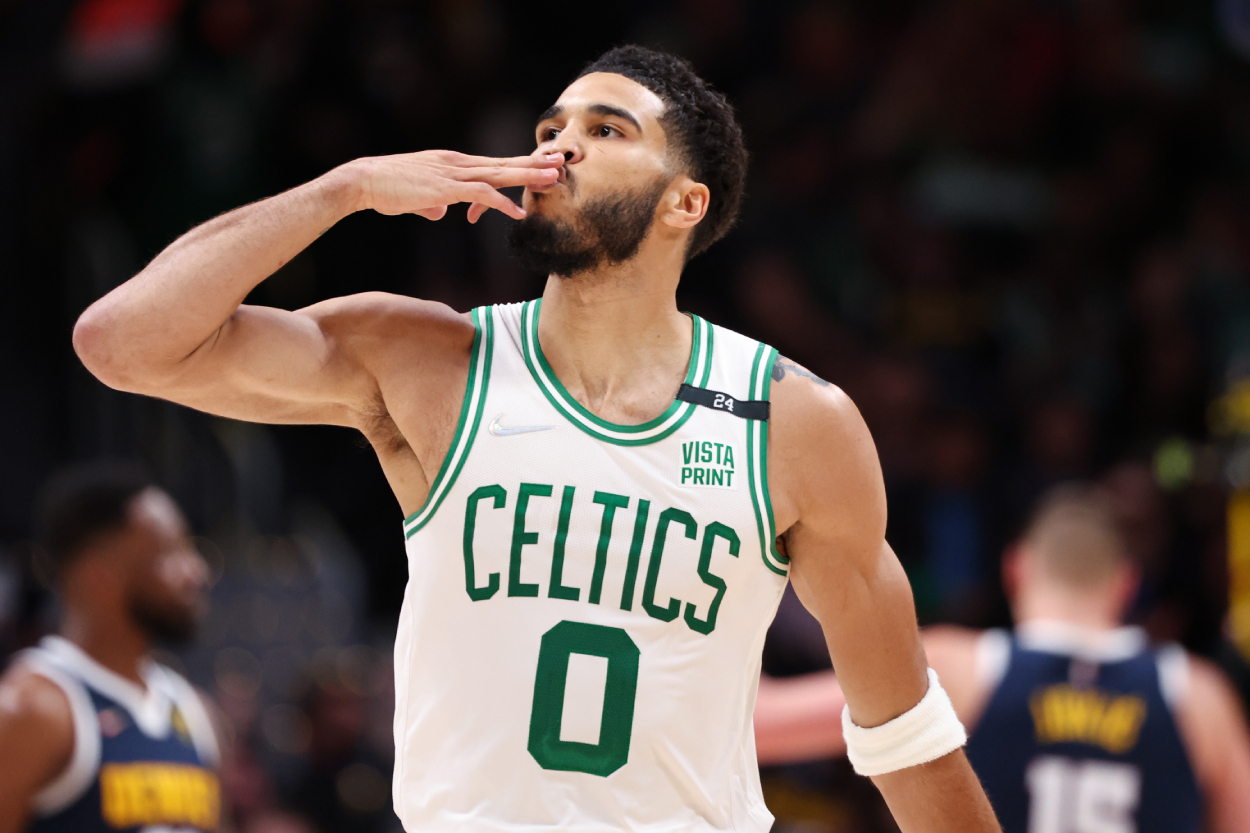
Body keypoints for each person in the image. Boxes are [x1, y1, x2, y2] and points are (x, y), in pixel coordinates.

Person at [71, 45, 997, 832]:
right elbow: (122, 343)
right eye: (553, 127)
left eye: (606, 131)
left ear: (684, 204)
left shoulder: (795, 421)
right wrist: (341, 190)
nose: (558, 148)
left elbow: (903, 735)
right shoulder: (429, 361)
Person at [754, 482, 1250, 832]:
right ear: (1126, 585)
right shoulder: (1200, 697)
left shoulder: (960, 670)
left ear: (1015, 568)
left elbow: (759, 726)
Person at [0, 462, 220, 833]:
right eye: (172, 552)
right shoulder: (32, 710)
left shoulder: (195, 712)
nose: (197, 571)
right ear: (101, 573)